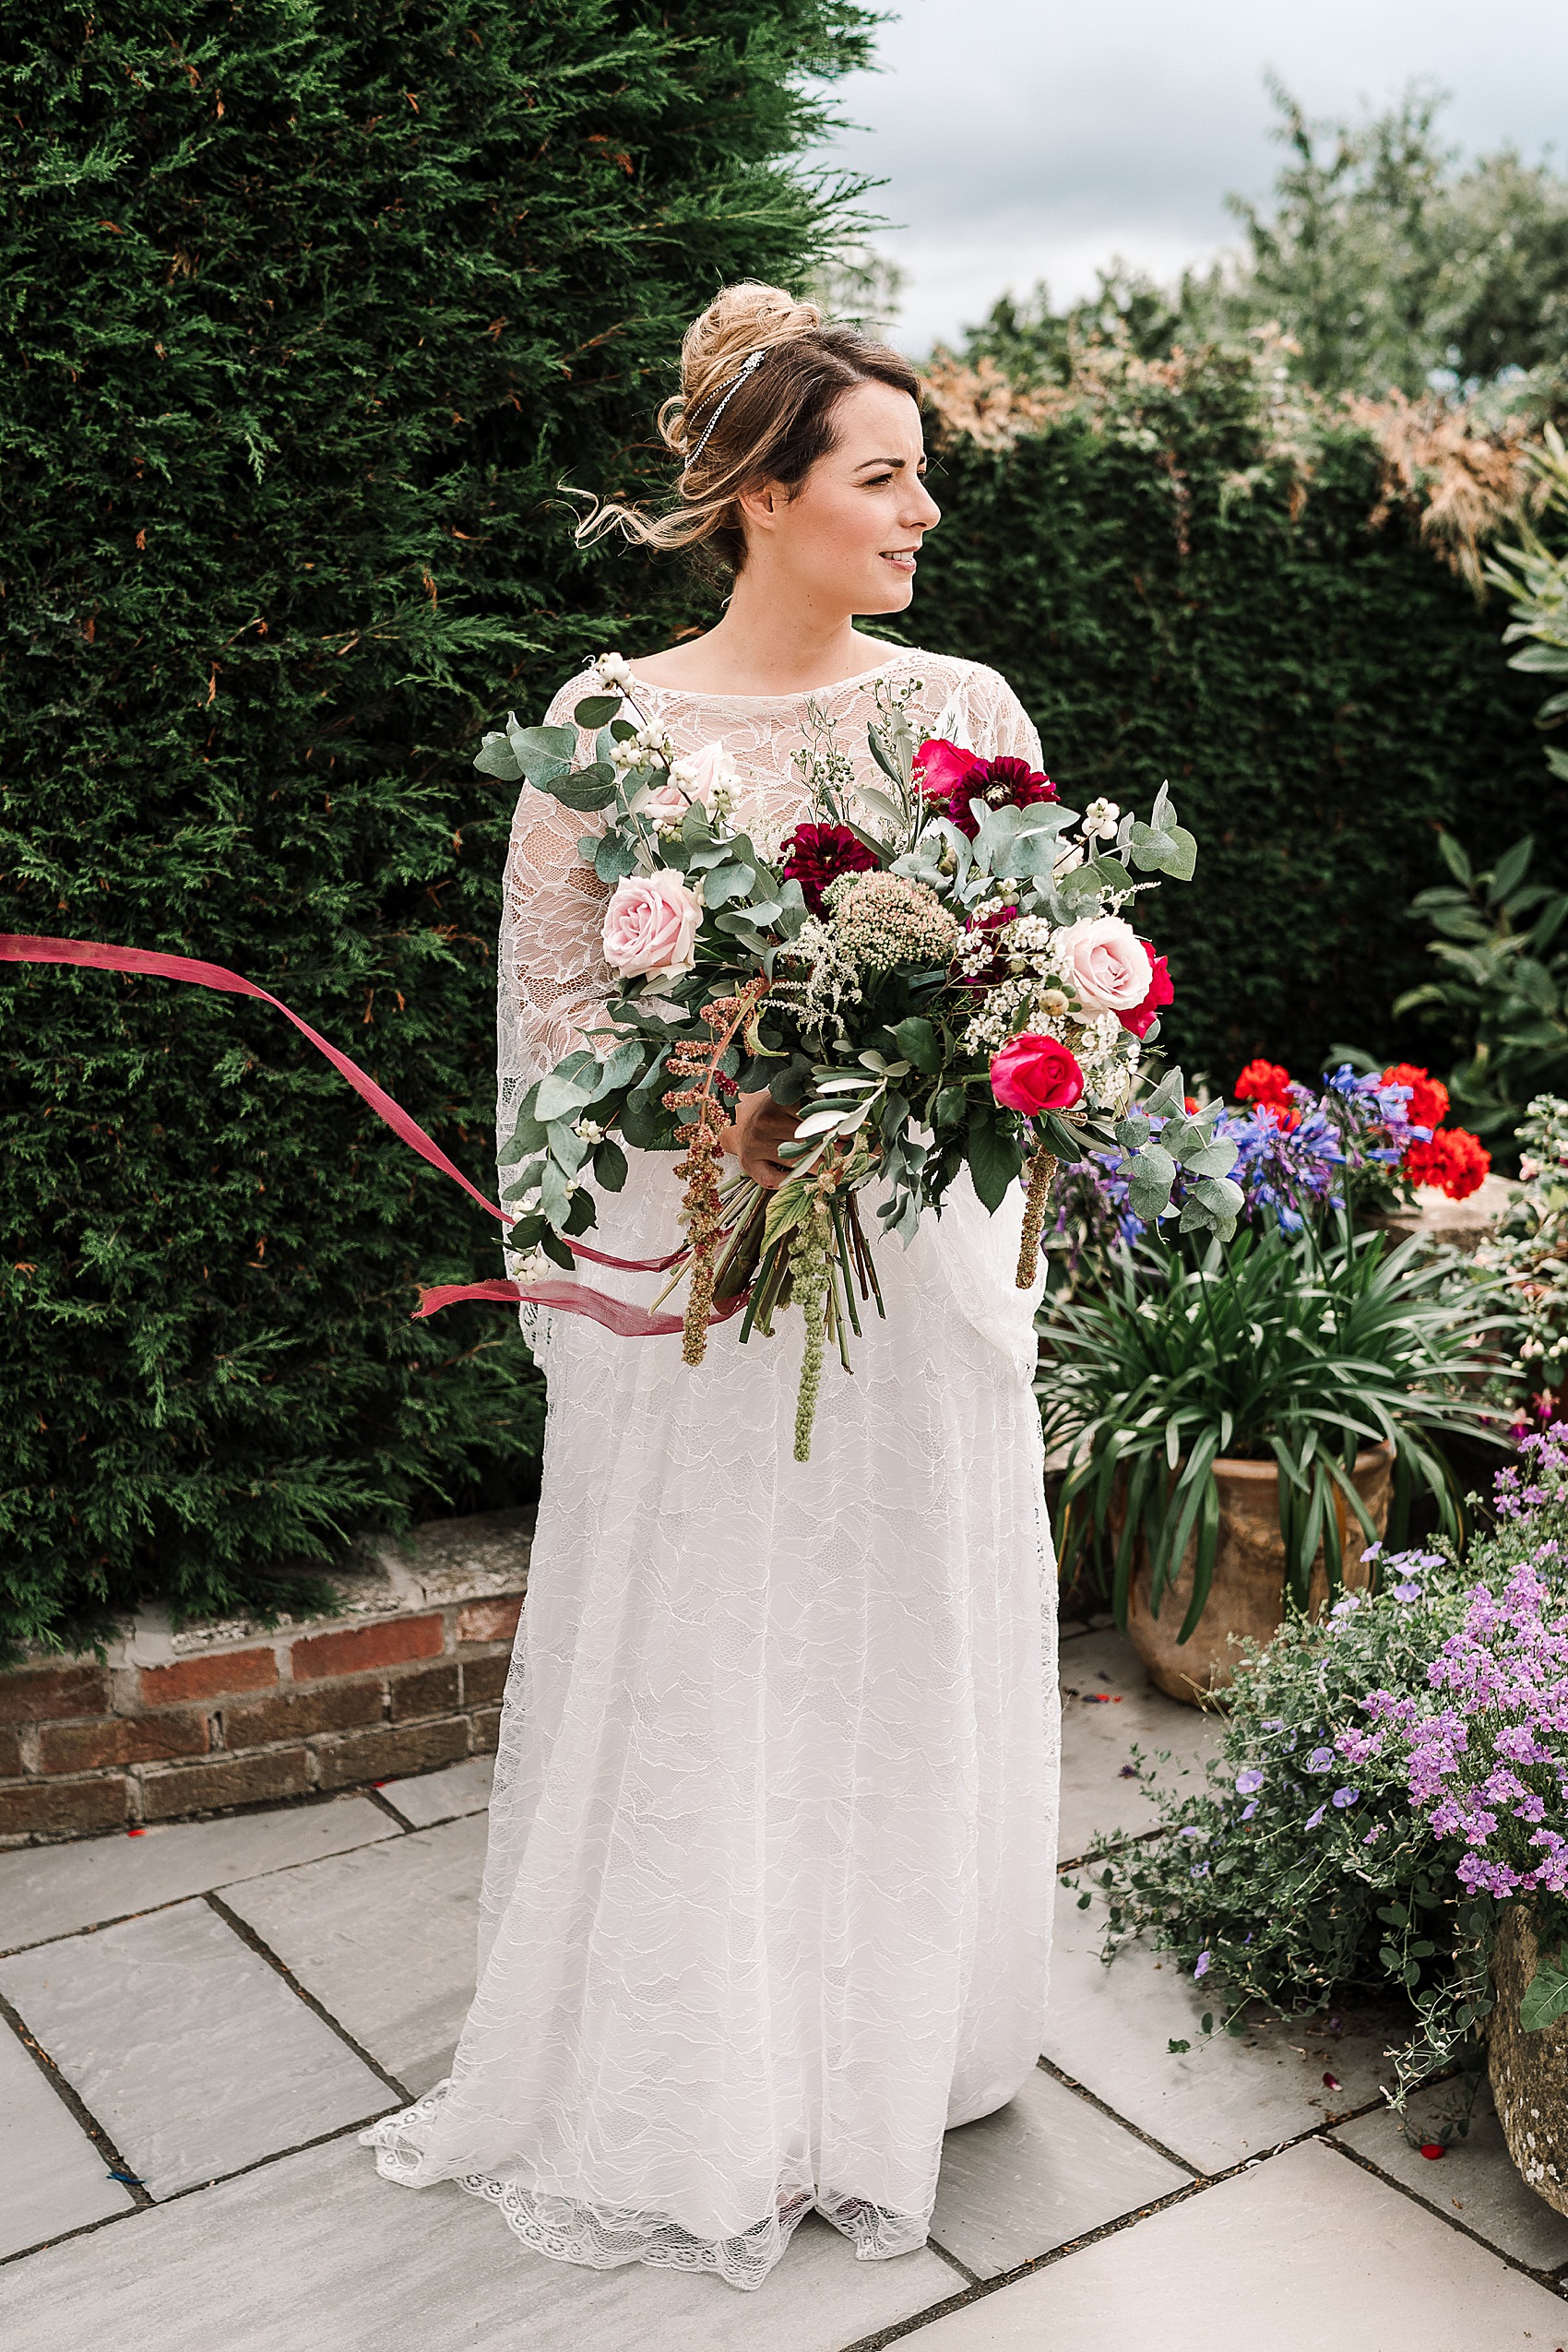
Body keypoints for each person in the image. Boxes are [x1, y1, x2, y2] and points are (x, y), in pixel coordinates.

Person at [362, 282, 1060, 2294]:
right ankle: (715, 2058)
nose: (920, 510)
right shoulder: (607, 728)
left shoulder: (965, 714)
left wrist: (949, 1077)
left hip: (909, 1289)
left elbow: (1020, 1001)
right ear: (766, 494)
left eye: (920, 475)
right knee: (721, 1642)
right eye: (883, 475)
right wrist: (716, 1117)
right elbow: (556, 1025)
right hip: (704, 1292)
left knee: (896, 1626)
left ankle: (900, 2032)